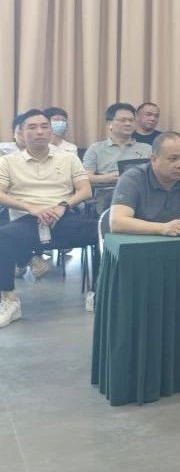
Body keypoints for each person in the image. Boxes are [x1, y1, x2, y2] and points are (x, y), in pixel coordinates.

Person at [0, 110, 95, 326]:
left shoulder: (69, 158)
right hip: (26, 220)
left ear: (51, 131)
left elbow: (85, 190)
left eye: (44, 126)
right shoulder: (7, 161)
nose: (40, 131)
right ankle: (9, 300)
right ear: (21, 133)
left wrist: (63, 206)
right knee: (2, 237)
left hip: (64, 216)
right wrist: (30, 207)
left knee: (102, 232)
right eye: (32, 127)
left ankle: (98, 291)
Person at [82, 102, 153, 186]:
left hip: (139, 190)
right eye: (122, 120)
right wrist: (104, 178)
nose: (128, 123)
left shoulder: (147, 149)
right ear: (109, 124)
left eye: (131, 120)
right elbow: (84, 177)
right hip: (107, 190)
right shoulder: (96, 148)